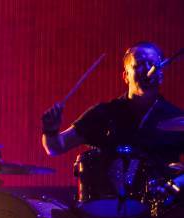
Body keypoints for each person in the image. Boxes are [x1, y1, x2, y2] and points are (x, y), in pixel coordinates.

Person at [42, 41, 183, 166]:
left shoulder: (176, 117)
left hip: (162, 195)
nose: (147, 69)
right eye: (138, 64)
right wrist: (50, 130)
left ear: (161, 75)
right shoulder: (104, 114)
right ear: (125, 76)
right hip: (110, 195)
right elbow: (56, 147)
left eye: (152, 64)